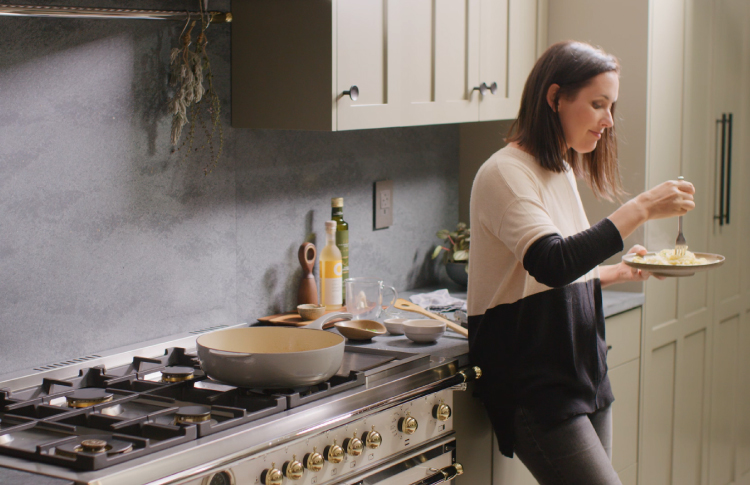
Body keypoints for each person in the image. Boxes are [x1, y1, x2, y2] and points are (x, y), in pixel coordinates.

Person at [467, 40, 695, 485]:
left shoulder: (561, 168)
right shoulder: (505, 173)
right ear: (555, 98)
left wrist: (616, 271)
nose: (608, 121)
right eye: (597, 104)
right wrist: (643, 206)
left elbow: (561, 269)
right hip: (535, 384)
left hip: (584, 371)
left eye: (611, 107)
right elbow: (550, 262)